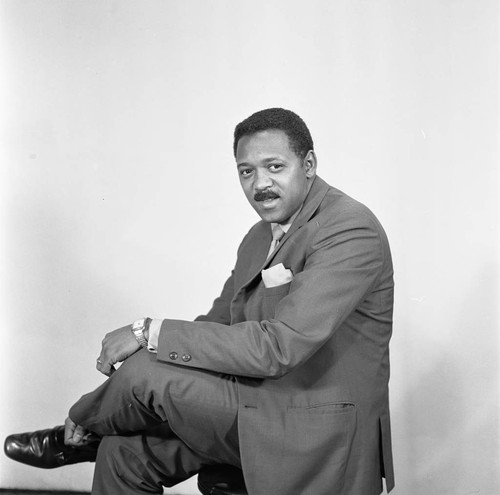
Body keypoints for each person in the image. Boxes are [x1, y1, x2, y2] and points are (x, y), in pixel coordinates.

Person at [5, 108, 395, 494]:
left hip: (315, 424)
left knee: (145, 372)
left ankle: (78, 428)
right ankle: (93, 433)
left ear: (308, 164)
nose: (260, 184)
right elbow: (220, 321)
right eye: (247, 171)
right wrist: (158, 342)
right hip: (259, 407)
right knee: (121, 452)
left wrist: (147, 332)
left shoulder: (348, 227)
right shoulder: (259, 236)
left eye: (275, 167)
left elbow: (278, 347)